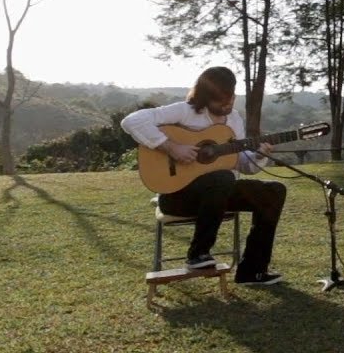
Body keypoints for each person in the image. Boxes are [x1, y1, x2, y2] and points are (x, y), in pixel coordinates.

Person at [122, 65, 287, 285]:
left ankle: (252, 271)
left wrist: (257, 156)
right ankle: (198, 254)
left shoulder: (234, 120)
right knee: (222, 178)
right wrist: (171, 147)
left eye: (230, 99)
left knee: (273, 191)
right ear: (204, 97)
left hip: (219, 195)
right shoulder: (185, 111)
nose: (227, 105)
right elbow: (131, 121)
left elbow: (238, 162)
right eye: (221, 101)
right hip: (178, 196)